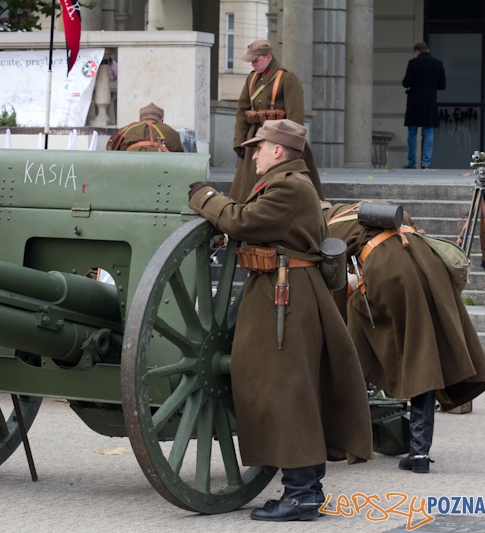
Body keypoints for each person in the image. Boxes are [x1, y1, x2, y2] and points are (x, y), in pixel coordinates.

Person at [187, 119, 372, 522]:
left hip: (286, 296)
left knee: (288, 392)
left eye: (258, 147)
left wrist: (203, 197)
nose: (253, 154)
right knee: (289, 390)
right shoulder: (288, 184)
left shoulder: (289, 187)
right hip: (280, 291)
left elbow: (241, 220)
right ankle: (305, 491)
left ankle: (302, 495)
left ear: (277, 151)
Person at [324, 202, 485, 473]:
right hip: (428, 266)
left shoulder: (330, 226)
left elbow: (333, 284)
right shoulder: (371, 209)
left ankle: (345, 442)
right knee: (423, 354)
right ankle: (419, 453)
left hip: (389, 272)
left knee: (352, 351)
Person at [232, 39, 324, 203]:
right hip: (256, 137)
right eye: (251, 61)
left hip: (281, 139)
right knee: (245, 188)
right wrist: (239, 141)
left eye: (256, 60)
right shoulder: (252, 79)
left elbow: (295, 117)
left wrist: (289, 145)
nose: (253, 64)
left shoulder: (287, 78)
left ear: (268, 57)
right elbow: (242, 111)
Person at [402, 41, 446, 169]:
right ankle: (426, 163)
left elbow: (406, 83)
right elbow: (442, 85)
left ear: (417, 51)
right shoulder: (438, 63)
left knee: (412, 131)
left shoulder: (413, 63)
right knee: (428, 130)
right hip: (430, 100)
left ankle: (412, 162)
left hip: (415, 100)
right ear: (428, 49)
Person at [106, 103, 184, 152]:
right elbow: (180, 157)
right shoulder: (171, 132)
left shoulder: (125, 130)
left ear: (139, 120)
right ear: (161, 120)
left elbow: (114, 153)